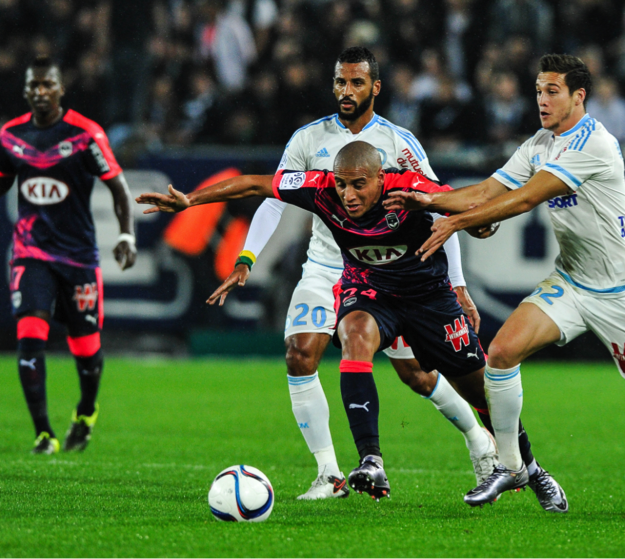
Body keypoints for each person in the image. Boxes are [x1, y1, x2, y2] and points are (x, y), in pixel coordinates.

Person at [385, 54, 625, 519]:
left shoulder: (594, 143)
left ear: (579, 95)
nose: (541, 99)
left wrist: (454, 223)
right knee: (500, 354)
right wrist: (431, 199)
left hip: (622, 291)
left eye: (552, 91)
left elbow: (525, 198)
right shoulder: (541, 141)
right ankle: (510, 465)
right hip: (572, 280)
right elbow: (489, 190)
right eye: (538, 90)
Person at [137, 141, 567, 511]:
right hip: (369, 290)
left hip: (428, 299)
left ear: (381, 178)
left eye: (359, 183)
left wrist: (479, 222)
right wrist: (192, 199)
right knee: (354, 335)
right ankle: (370, 461)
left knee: (479, 391)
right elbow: (253, 183)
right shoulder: (320, 188)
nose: (348, 193)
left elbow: (461, 202)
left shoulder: (407, 187)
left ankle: (530, 468)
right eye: (342, 183)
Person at [213, 47, 496, 501]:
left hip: (386, 271)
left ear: (375, 87)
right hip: (326, 264)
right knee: (299, 354)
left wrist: (457, 284)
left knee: (416, 376)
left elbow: (441, 212)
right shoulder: (307, 139)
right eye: (340, 82)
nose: (347, 91)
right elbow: (271, 198)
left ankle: (479, 439)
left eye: (356, 83)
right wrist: (247, 257)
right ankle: (329, 473)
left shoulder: (400, 144)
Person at [0, 56, 137, 454]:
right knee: (29, 336)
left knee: (87, 348)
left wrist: (127, 234)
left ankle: (86, 411)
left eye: (47, 85)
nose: (40, 91)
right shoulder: (9, 136)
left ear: (61, 89)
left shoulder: (85, 134)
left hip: (78, 257)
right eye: (33, 85)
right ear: (26, 91)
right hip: (31, 253)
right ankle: (43, 433)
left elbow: (118, 188)